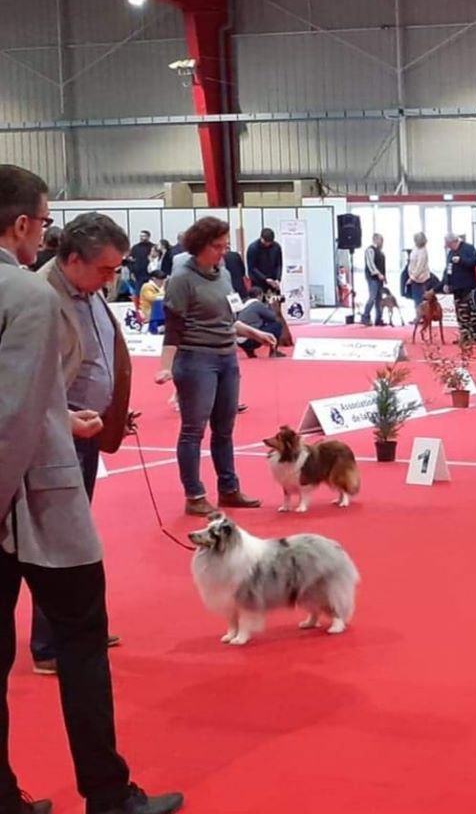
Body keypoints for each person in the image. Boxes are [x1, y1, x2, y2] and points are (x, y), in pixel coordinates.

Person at [0, 165, 183, 814]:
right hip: (31, 498)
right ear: (23, 224)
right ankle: (108, 797)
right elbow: (15, 420)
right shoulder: (25, 294)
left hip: (37, 472)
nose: (41, 233)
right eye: (42, 222)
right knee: (82, 644)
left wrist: (69, 417)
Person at [30, 212, 135, 675]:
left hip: (88, 431)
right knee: (55, 542)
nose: (112, 279)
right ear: (73, 259)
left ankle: (76, 628)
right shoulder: (38, 296)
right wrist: (65, 419)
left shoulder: (89, 291)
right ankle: (49, 645)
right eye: (105, 270)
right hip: (54, 435)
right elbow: (29, 379)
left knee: (76, 540)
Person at [155, 216, 277, 517]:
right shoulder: (181, 278)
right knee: (193, 431)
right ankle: (194, 494)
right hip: (195, 360)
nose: (223, 252)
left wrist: (254, 333)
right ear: (199, 245)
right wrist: (165, 367)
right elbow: (173, 327)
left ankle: (229, 488)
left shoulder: (222, 273)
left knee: (225, 430)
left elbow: (226, 318)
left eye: (225, 246)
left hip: (227, 357)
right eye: (217, 246)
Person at [442, 232, 476, 336]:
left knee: (469, 311)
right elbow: (447, 269)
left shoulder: (468, 248)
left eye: (449, 245)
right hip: (455, 287)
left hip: (467, 286)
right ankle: (464, 335)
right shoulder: (450, 253)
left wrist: (461, 260)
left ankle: (473, 336)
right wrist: (446, 283)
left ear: (454, 241)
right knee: (460, 312)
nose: (449, 247)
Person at [237, 287, 285, 358]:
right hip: (252, 339)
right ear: (260, 295)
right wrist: (271, 305)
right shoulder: (257, 304)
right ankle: (273, 352)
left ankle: (250, 352)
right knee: (277, 325)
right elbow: (272, 317)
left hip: (239, 340)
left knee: (253, 326)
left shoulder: (243, 304)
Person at [361, 233, 386, 327]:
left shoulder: (381, 252)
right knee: (372, 297)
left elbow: (382, 266)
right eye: (381, 240)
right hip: (372, 278)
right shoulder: (370, 250)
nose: (382, 242)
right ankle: (365, 316)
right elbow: (370, 264)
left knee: (379, 299)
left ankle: (378, 319)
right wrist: (378, 273)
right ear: (375, 240)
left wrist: (384, 276)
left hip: (380, 279)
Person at [246, 227, 282, 293]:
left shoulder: (276, 247)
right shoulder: (253, 248)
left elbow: (279, 264)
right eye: (266, 242)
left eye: (270, 242)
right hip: (258, 283)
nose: (267, 244)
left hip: (273, 282)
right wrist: (265, 278)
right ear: (261, 238)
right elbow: (252, 268)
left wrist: (278, 279)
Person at [407, 232, 430, 313]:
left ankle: (420, 316)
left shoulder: (423, 251)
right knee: (416, 299)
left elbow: (419, 267)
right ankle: (418, 316)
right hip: (415, 278)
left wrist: (412, 278)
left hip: (420, 279)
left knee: (419, 299)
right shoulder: (415, 248)